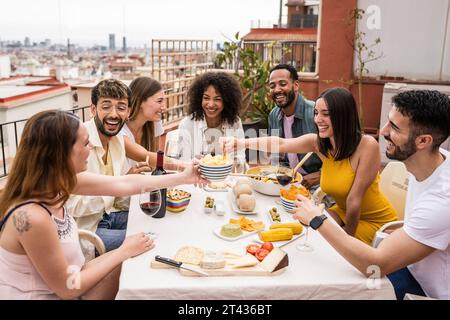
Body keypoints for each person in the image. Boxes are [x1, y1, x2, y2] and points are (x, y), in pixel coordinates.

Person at [0, 110, 207, 299]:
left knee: (140, 263)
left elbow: (124, 184)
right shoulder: (32, 218)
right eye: (85, 143)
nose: (91, 147)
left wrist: (184, 177)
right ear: (60, 154)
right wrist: (123, 251)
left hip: (73, 283)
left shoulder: (59, 182)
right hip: (65, 292)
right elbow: (67, 287)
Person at [292, 90, 450, 299]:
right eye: (388, 122)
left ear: (423, 141)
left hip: (423, 290)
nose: (382, 132)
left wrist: (317, 219)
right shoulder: (433, 160)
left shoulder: (441, 201)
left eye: (394, 127)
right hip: (408, 266)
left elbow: (375, 264)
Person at [222, 87, 397, 245]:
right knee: (302, 230)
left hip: (372, 221)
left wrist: (346, 240)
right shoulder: (320, 143)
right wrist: (240, 143)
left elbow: (354, 199)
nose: (318, 119)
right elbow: (281, 143)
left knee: (323, 244)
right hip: (342, 211)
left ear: (343, 115)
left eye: (326, 114)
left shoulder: (367, 145)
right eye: (316, 113)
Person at [65, 79, 181, 254]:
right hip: (87, 230)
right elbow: (70, 206)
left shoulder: (118, 139)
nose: (114, 114)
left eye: (120, 108)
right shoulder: (78, 142)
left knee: (161, 226)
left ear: (128, 112)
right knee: (151, 242)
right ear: (93, 109)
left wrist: (126, 179)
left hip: (111, 215)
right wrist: (117, 186)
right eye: (106, 106)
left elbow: (119, 198)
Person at [268, 64, 322, 189]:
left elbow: (338, 156)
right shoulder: (273, 115)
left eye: (282, 84)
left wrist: (320, 175)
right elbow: (276, 153)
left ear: (295, 85)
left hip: (317, 185)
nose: (276, 90)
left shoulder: (315, 112)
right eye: (272, 86)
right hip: (287, 181)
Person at [178, 71, 245, 162]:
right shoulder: (187, 124)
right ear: (199, 98)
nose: (210, 104)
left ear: (227, 101)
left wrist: (231, 163)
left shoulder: (235, 123)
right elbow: (182, 162)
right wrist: (195, 162)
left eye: (217, 99)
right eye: (206, 98)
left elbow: (241, 158)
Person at [121, 76, 166, 167]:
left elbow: (156, 162)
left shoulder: (154, 122)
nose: (164, 107)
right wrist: (184, 165)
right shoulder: (119, 130)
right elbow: (147, 157)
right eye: (159, 101)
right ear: (140, 101)